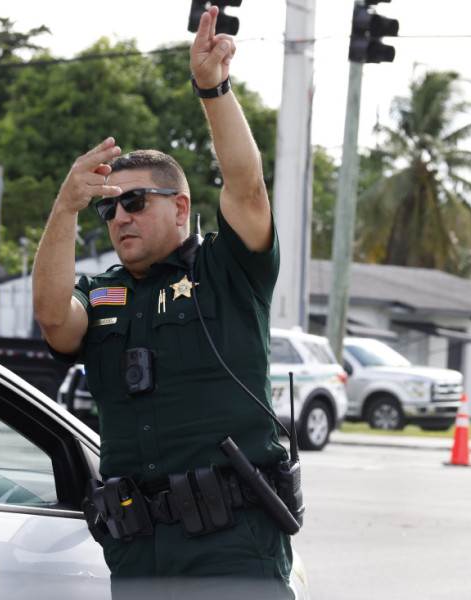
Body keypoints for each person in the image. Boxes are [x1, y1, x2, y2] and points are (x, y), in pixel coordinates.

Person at [33, 6, 293, 598]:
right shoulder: (100, 293)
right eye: (107, 208)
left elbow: (246, 185)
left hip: (233, 546)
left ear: (179, 208)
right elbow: (53, 319)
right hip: (138, 549)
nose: (118, 217)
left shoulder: (230, 270)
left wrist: (212, 87)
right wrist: (65, 207)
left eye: (134, 202)